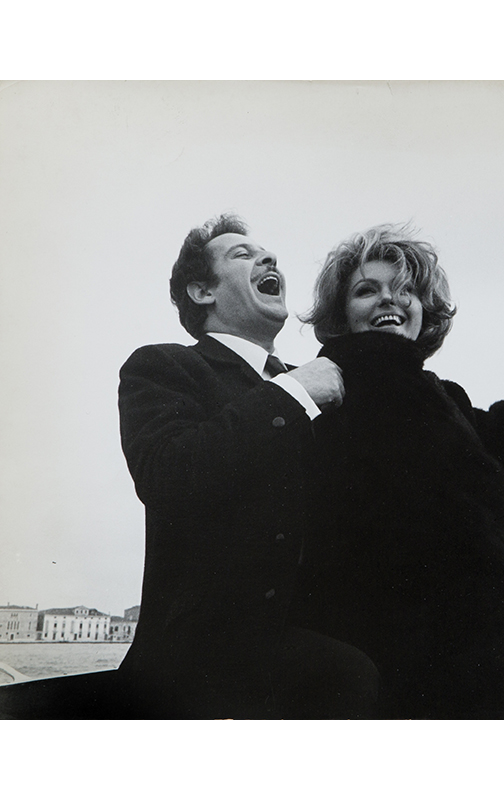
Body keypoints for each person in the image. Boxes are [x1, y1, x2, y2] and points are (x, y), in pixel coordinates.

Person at [291, 224, 504, 719]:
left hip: (488, 653)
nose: (388, 299)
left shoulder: (443, 398)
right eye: (366, 290)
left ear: (424, 310)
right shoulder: (321, 397)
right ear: (340, 315)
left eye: (405, 289)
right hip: (396, 666)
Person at [115, 213, 381, 719]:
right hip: (202, 673)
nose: (268, 257)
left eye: (267, 253)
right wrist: (293, 392)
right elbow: (167, 475)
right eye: (243, 254)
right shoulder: (164, 366)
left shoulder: (322, 384)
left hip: (310, 650)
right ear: (202, 292)